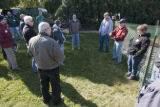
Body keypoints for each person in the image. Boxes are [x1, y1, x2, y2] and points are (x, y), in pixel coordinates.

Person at [28, 22, 65, 105]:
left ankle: (46, 99)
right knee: (55, 85)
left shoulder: (32, 40)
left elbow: (30, 54)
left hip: (40, 67)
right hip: (52, 68)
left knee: (43, 84)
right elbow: (61, 58)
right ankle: (57, 101)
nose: (51, 30)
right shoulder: (52, 42)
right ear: (46, 30)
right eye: (50, 28)